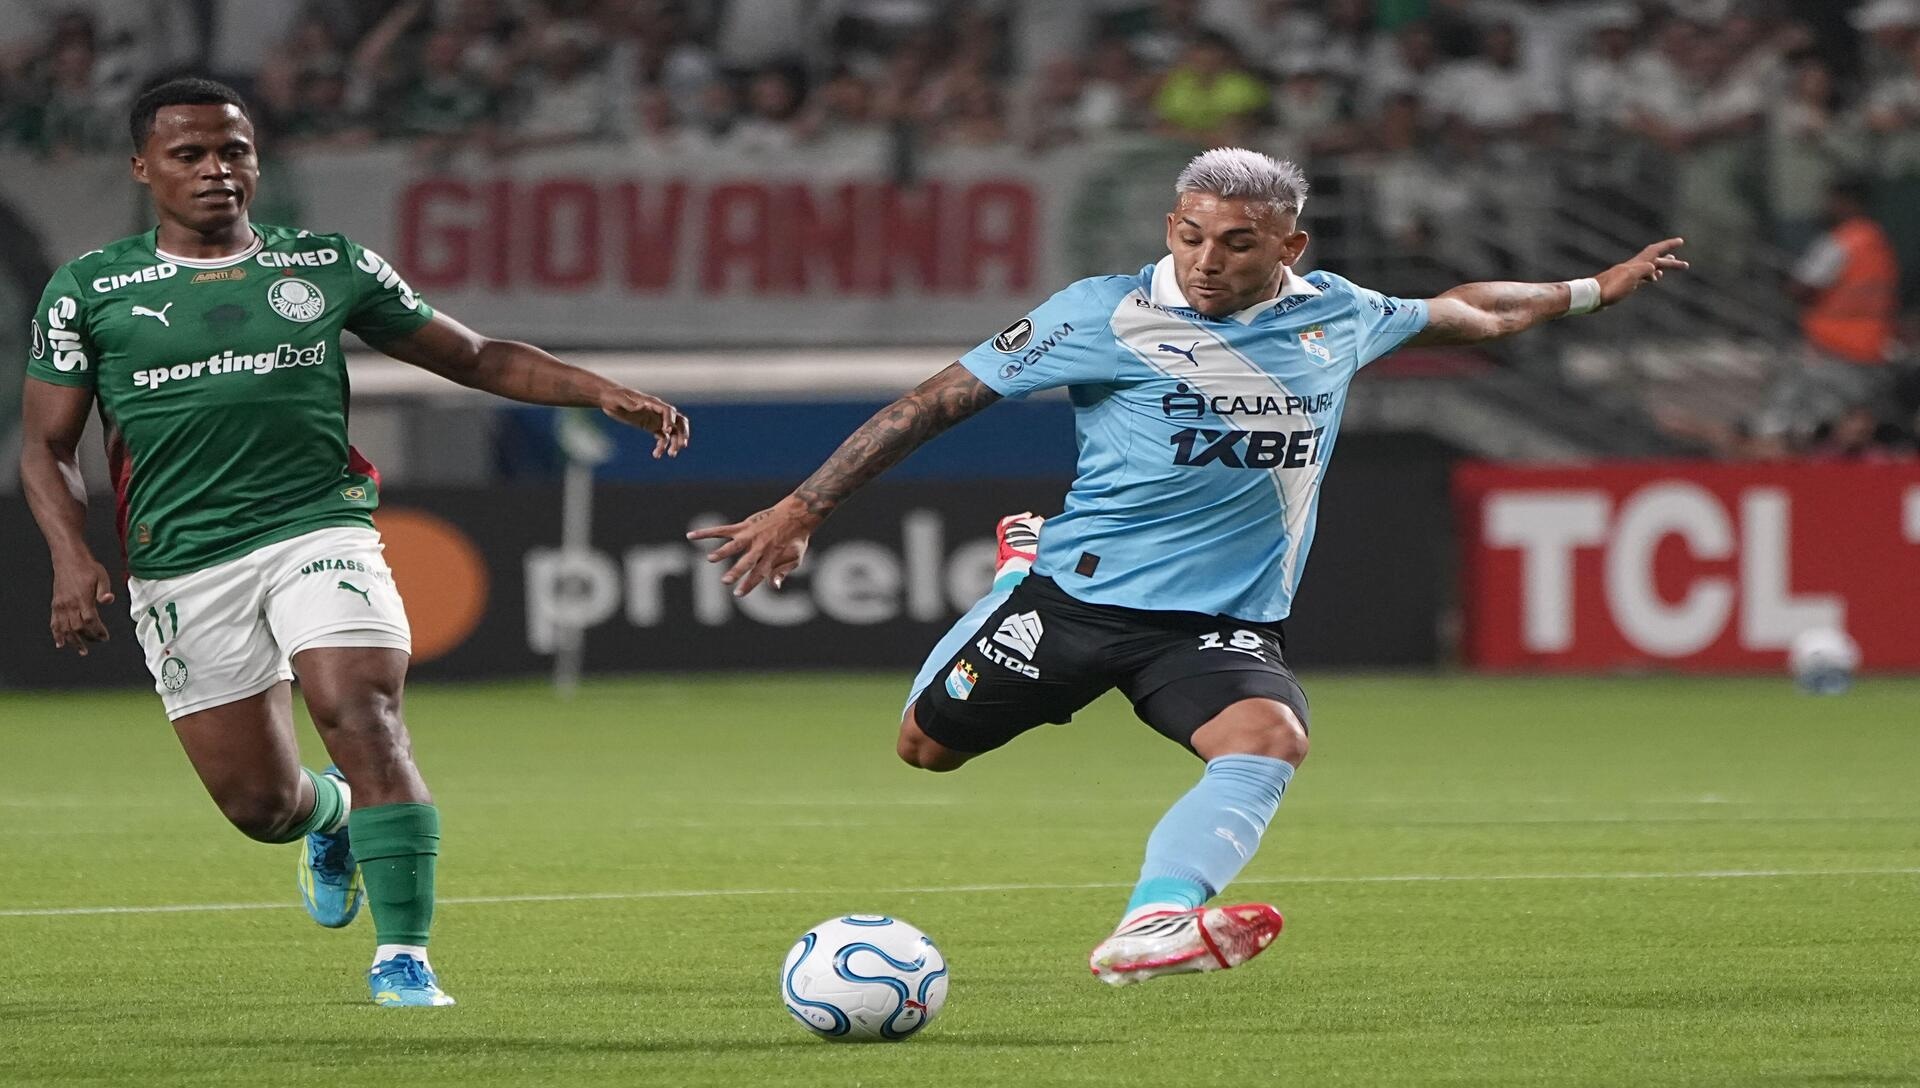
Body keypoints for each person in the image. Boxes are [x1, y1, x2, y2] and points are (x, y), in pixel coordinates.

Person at [690, 147, 1685, 986]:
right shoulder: (1102, 314)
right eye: (1190, 235)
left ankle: (1154, 920)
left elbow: (1473, 312)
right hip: (1076, 600)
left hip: (1216, 621)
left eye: (1238, 242)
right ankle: (1010, 576)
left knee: (1269, 736)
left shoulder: (1337, 314)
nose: (1206, 260)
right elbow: (935, 400)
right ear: (1172, 225)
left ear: (1290, 247)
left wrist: (1593, 289)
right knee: (925, 750)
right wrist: (803, 505)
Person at [18, 78, 690, 1007]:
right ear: (143, 169)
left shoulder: (327, 264)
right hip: (181, 561)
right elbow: (48, 447)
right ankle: (331, 814)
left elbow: (474, 354)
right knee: (261, 807)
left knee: (361, 707)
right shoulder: (89, 290)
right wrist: (70, 553)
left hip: (316, 526)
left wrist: (597, 388)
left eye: (235, 150)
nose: (218, 170)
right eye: (190, 155)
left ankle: (403, 955)